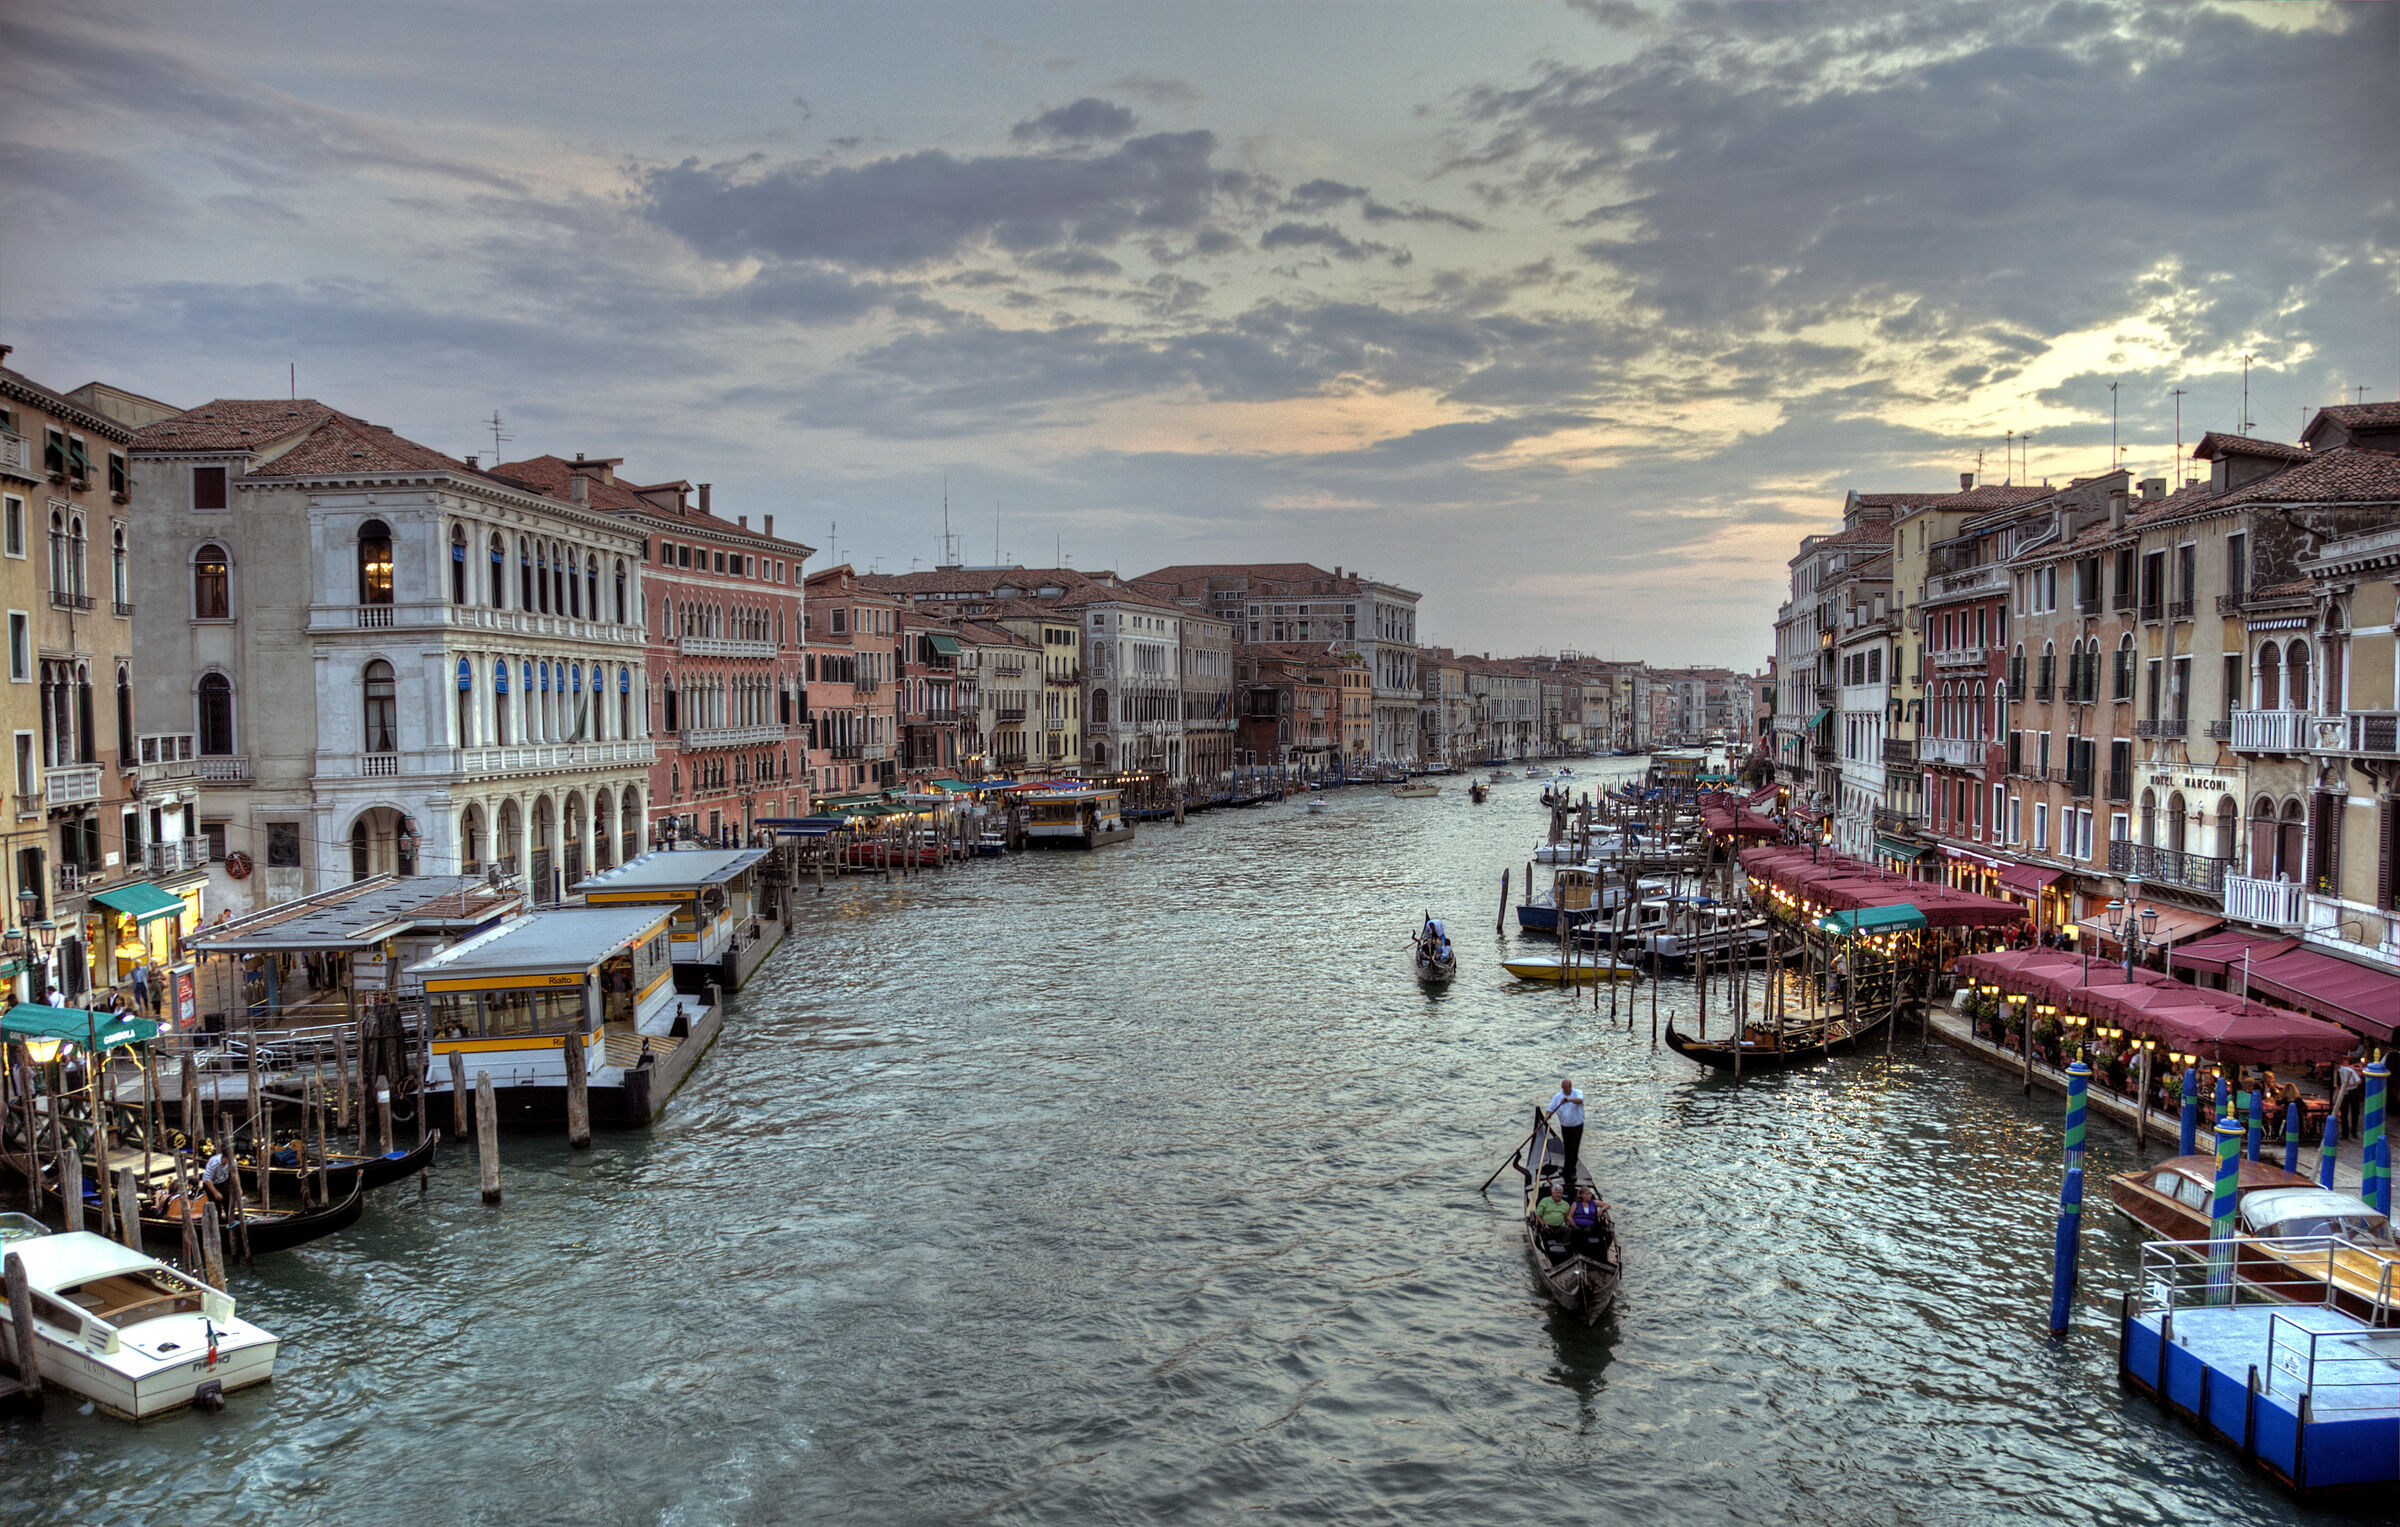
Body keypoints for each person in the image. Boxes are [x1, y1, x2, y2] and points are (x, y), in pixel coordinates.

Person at [1544, 1078, 1586, 1192]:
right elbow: (1550, 1108)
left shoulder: (1577, 1093)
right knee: (1567, 1148)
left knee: (1574, 1148)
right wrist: (1547, 1115)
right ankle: (1567, 1169)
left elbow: (1580, 1101)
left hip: (1577, 1126)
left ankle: (1572, 1171)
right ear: (1562, 1087)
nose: (1567, 1089)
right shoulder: (1557, 1097)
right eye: (1565, 1088)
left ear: (1571, 1086)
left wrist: (1568, 1100)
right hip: (1565, 1126)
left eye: (1569, 1087)